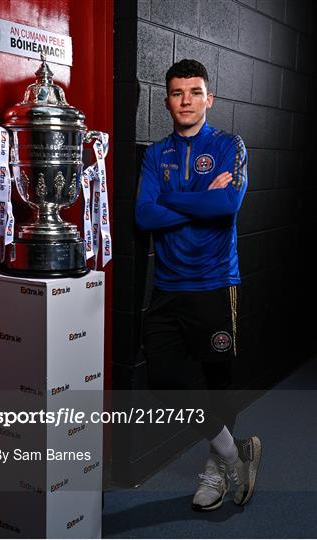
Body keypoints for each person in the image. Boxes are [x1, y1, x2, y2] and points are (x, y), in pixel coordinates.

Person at [135, 59, 262, 511]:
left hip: (214, 283)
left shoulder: (230, 145)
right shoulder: (156, 154)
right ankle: (235, 452)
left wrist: (186, 198)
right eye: (176, 92)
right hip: (168, 286)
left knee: (216, 381)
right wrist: (201, 197)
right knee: (165, 378)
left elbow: (228, 204)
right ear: (167, 100)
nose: (185, 100)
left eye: (194, 92)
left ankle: (215, 469)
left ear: (209, 99)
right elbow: (143, 215)